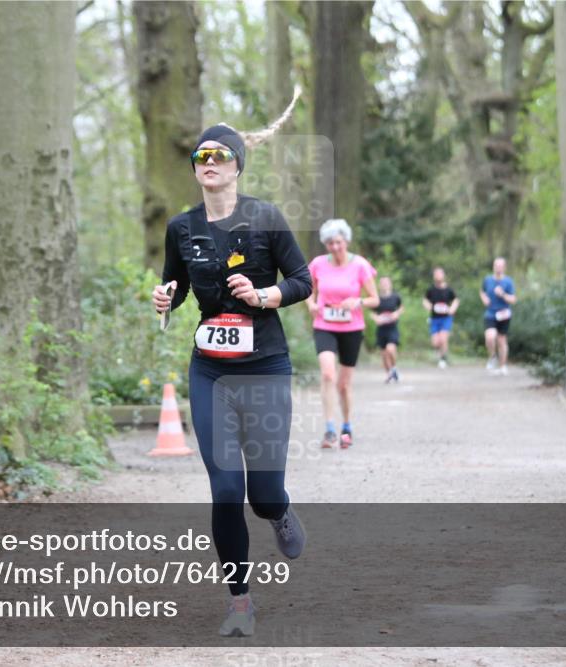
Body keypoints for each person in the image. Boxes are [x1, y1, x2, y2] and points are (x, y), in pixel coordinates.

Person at [151, 116, 311, 638]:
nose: (210, 163)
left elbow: (303, 280)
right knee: (225, 490)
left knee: (262, 494)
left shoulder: (266, 218)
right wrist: (165, 299)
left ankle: (279, 512)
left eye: (220, 155)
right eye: (202, 156)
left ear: (238, 165)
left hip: (265, 367)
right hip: (211, 371)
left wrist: (263, 296)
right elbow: (174, 285)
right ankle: (240, 601)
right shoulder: (181, 227)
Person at [306, 219, 379, 449]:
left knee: (344, 385)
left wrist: (358, 301)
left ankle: (346, 426)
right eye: (330, 243)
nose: (335, 247)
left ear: (346, 240)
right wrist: (311, 304)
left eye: (338, 242)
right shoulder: (318, 264)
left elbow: (375, 299)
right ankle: (329, 429)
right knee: (328, 374)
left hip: (352, 328)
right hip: (324, 325)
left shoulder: (360, 265)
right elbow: (307, 290)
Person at [479, 257, 517, 375]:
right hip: (490, 313)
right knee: (490, 337)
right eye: (496, 265)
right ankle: (492, 357)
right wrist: (484, 299)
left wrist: (503, 294)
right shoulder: (487, 280)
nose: (498, 268)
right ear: (493, 266)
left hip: (504, 314)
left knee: (501, 340)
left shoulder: (508, 282)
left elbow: (513, 299)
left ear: (504, 267)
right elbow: (482, 291)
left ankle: (502, 365)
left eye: (500, 266)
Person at [422, 267, 459, 369]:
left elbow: (456, 300)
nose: (438, 276)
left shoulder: (449, 290)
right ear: (434, 276)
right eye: (436, 274)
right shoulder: (431, 290)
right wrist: (429, 306)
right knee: (435, 342)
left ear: (443, 275)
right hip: (434, 319)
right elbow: (425, 300)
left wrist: (452, 309)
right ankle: (440, 354)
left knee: (443, 338)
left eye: (440, 274)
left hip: (446, 318)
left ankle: (443, 359)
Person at [369, 276, 403, 382]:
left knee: (390, 349)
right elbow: (372, 312)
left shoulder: (396, 297)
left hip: (392, 328)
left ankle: (394, 368)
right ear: (379, 285)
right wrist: (376, 318)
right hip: (381, 330)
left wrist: (396, 314)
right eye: (382, 283)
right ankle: (389, 374)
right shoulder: (377, 299)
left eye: (386, 283)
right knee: (384, 355)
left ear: (390, 284)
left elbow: (401, 308)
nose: (384, 285)